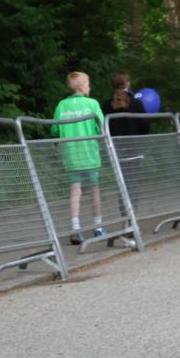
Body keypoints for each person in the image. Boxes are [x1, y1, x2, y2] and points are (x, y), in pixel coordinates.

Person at [53, 71, 105, 244]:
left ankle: (75, 228)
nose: (90, 87)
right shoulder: (92, 103)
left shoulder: (61, 105)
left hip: (70, 156)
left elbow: (54, 130)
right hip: (89, 154)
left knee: (75, 192)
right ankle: (98, 227)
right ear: (83, 86)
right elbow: (101, 127)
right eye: (88, 84)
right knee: (94, 190)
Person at [101, 70, 148, 249]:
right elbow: (145, 126)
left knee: (121, 186)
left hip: (115, 152)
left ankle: (126, 220)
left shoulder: (105, 105)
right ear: (128, 83)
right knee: (132, 185)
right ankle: (131, 222)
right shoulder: (137, 104)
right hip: (134, 151)